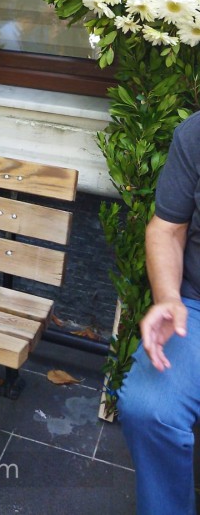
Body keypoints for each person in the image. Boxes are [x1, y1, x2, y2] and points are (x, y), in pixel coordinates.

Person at [118, 110, 200, 515]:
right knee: (148, 408)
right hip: (197, 307)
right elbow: (167, 228)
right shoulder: (196, 134)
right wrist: (168, 297)